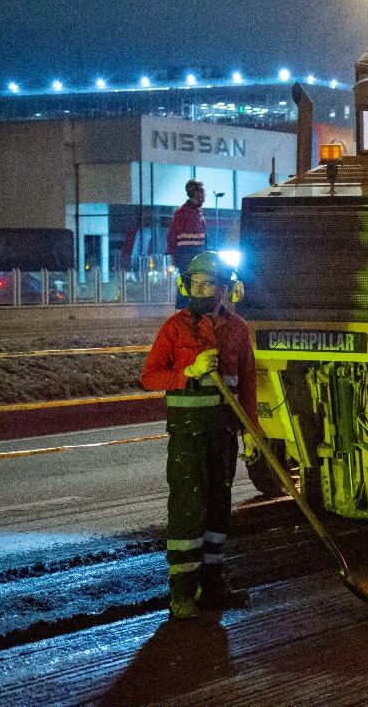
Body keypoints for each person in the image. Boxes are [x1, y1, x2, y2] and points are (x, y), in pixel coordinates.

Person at [141, 251, 258, 619]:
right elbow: (150, 377)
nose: (201, 290)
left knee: (219, 511)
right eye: (195, 284)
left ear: (225, 289)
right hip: (188, 436)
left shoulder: (237, 329)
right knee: (188, 511)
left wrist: (251, 433)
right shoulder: (175, 328)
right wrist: (188, 371)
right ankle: (182, 593)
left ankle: (213, 585)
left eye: (209, 284)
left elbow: (248, 385)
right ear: (186, 286)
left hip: (223, 434)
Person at [167, 179, 207, 307]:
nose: (205, 195)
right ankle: (183, 310)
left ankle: (193, 310)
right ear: (196, 193)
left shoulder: (198, 212)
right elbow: (171, 236)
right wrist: (174, 256)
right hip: (186, 255)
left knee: (196, 285)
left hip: (197, 254)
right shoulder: (182, 213)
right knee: (187, 285)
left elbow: (203, 236)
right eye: (203, 191)